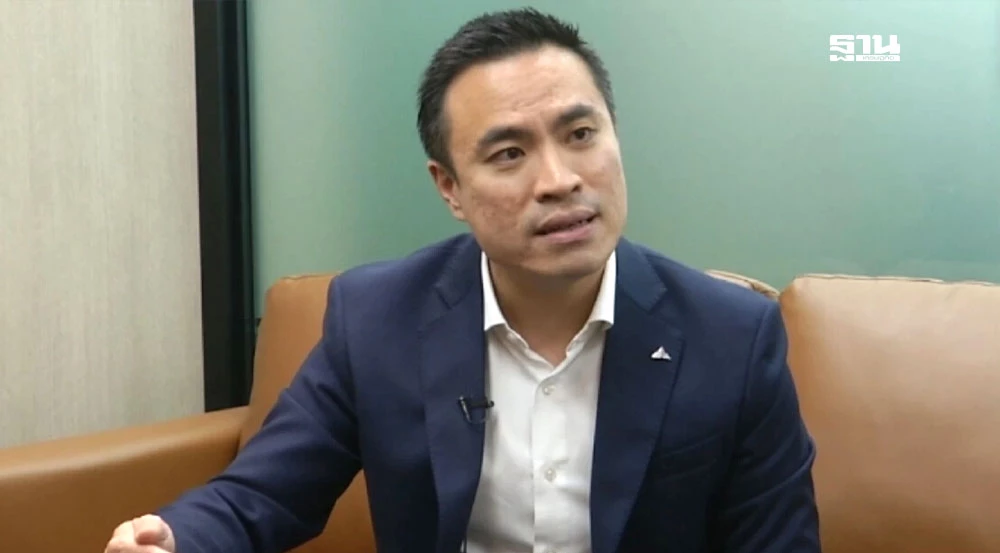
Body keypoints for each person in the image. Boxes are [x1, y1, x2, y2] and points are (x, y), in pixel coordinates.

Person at [105, 8, 820, 553]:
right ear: (449, 187)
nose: (559, 180)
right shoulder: (377, 318)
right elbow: (263, 493)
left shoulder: (732, 337)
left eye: (580, 135)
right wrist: (174, 539)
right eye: (509, 153)